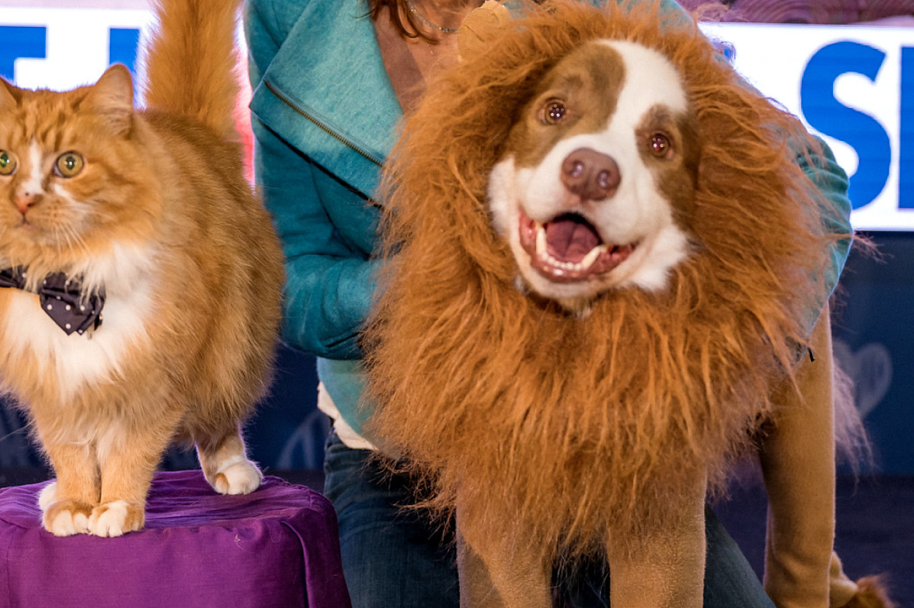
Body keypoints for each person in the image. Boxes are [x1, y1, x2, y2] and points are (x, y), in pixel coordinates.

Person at [244, 1, 853, 606]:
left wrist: (709, 366)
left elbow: (808, 175)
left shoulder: (610, 7)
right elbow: (289, 284)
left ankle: (805, 580)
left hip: (622, 440)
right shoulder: (291, 14)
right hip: (402, 450)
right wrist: (438, 289)